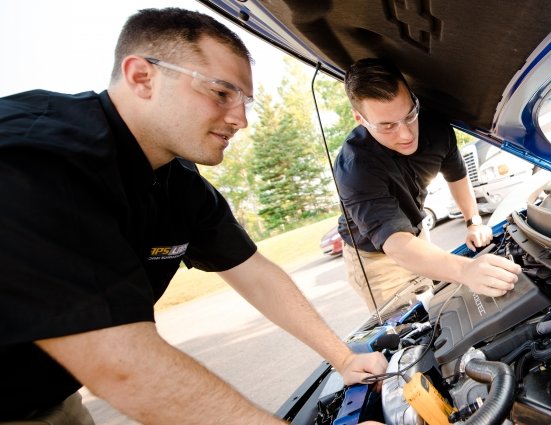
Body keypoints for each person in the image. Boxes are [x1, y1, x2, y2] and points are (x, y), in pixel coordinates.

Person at [0, 8, 386, 425]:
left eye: (245, 100)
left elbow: (255, 273)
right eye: (222, 93)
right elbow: (124, 367)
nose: (241, 119)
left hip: (55, 398)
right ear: (142, 77)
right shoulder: (33, 159)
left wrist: (344, 358)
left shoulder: (177, 181)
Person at [334, 58, 522, 309]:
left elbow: (456, 174)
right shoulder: (354, 168)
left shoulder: (435, 125)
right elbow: (397, 244)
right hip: (375, 256)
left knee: (442, 303)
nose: (406, 134)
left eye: (409, 115)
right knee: (412, 325)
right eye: (388, 126)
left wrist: (473, 221)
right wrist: (465, 270)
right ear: (360, 119)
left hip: (416, 233)